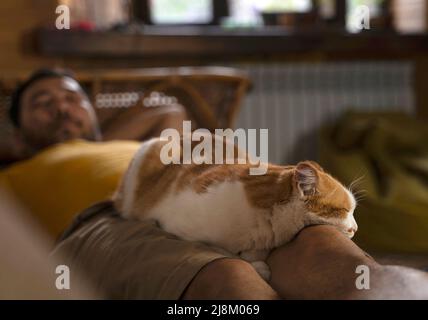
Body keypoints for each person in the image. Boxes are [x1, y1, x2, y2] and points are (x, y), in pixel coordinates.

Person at [1, 69, 428, 300]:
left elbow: (169, 108)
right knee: (226, 279)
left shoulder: (130, 142)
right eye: (43, 103)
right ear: (17, 136)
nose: (61, 107)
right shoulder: (17, 171)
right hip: (107, 219)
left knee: (330, 250)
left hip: (216, 192)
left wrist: (101, 128)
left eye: (73, 98)